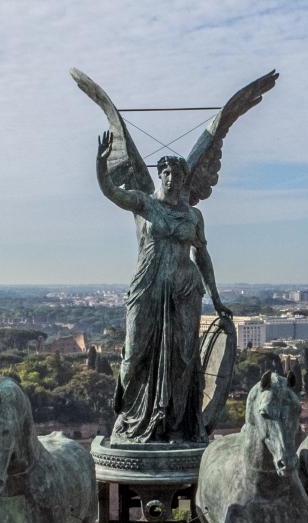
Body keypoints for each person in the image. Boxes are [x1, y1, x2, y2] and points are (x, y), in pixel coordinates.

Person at [96, 131, 230, 444]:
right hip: (147, 286)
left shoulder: (194, 215)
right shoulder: (144, 204)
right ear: (160, 176)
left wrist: (217, 298)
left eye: (176, 173)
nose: (170, 178)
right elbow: (111, 192)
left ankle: (176, 426)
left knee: (183, 358)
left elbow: (203, 255)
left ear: (184, 179)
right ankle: (130, 419)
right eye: (165, 172)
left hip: (185, 290)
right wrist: (101, 166)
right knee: (134, 354)